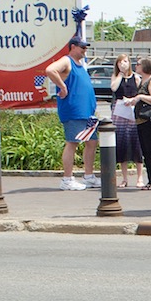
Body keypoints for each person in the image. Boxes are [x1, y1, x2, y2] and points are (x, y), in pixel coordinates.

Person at [44, 36, 99, 191]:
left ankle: (89, 176)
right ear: (73, 47)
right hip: (74, 111)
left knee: (92, 142)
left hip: (87, 112)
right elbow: (50, 70)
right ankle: (67, 179)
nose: (85, 50)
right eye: (82, 47)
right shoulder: (67, 61)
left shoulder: (82, 65)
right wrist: (63, 87)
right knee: (72, 142)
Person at [109, 54, 143, 188]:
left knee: (136, 143)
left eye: (125, 61)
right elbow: (113, 88)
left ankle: (140, 177)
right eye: (119, 62)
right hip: (119, 112)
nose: (122, 64)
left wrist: (134, 100)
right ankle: (124, 178)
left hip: (132, 112)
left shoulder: (135, 78)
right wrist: (120, 75)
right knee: (121, 144)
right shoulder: (116, 77)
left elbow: (140, 93)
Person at [131, 58, 151, 190]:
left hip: (149, 121)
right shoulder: (141, 81)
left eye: (138, 64)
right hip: (140, 121)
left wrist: (140, 97)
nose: (136, 66)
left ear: (144, 67)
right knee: (146, 152)